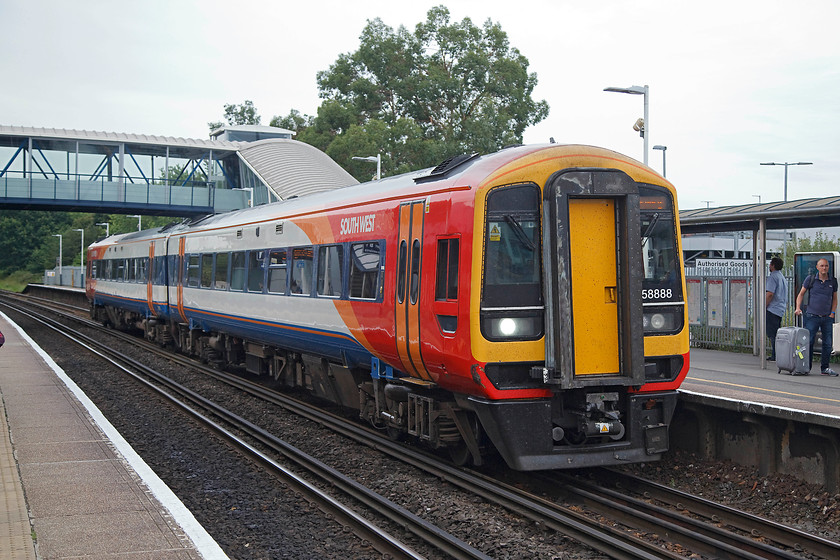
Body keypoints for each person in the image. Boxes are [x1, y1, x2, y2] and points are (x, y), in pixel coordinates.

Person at [794, 258, 838, 376]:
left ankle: (825, 368)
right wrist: (798, 308)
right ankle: (806, 367)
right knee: (808, 341)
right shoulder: (811, 279)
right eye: (822, 266)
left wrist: (832, 313)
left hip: (827, 317)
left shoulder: (832, 281)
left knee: (828, 343)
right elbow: (801, 294)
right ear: (817, 267)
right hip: (812, 316)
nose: (824, 268)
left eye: (826, 266)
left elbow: (835, 299)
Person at [765, 256, 787, 361]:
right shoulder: (781, 277)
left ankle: (775, 355)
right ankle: (777, 354)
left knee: (772, 334)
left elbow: (770, 294)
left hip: (772, 309)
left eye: (770, 263)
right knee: (777, 333)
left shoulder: (773, 277)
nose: (769, 265)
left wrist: (764, 305)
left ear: (773, 265)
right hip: (780, 309)